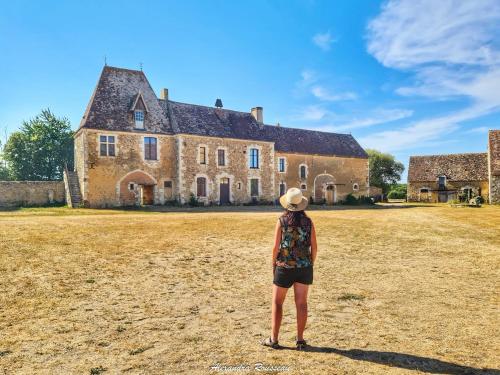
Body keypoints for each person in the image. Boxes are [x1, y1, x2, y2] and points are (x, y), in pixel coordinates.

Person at [261, 187, 317, 350]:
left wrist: (273, 264)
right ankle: (300, 340)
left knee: (277, 302)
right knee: (301, 303)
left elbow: (275, 247)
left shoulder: (282, 221)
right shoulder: (308, 222)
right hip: (304, 267)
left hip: (284, 267)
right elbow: (314, 246)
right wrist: (309, 263)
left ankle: (274, 339)